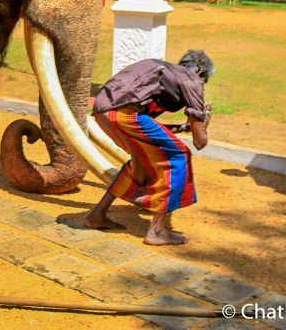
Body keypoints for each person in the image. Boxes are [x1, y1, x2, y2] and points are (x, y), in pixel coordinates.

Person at [83, 50, 213, 245]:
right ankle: (157, 230)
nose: (202, 86)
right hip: (125, 113)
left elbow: (149, 125)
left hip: (104, 114)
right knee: (179, 155)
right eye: (205, 82)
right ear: (201, 72)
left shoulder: (164, 73)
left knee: (140, 161)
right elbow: (199, 143)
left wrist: (184, 127)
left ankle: (96, 216)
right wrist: (203, 122)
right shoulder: (192, 80)